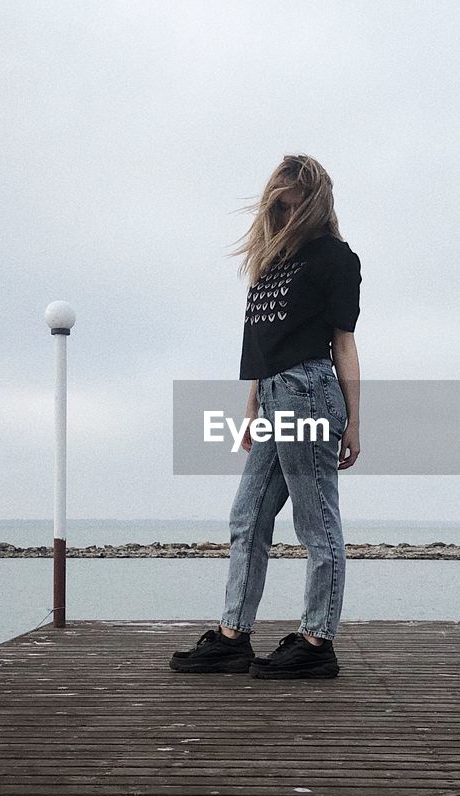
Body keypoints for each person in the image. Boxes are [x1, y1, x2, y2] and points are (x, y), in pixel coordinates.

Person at [171, 154, 361, 679]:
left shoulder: (335, 259)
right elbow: (264, 345)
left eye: (293, 199)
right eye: (277, 199)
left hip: (310, 391)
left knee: (315, 521)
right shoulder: (275, 260)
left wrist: (354, 421)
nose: (283, 207)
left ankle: (317, 642)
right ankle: (233, 637)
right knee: (247, 517)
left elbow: (342, 344)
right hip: (275, 393)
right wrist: (253, 405)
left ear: (313, 199)